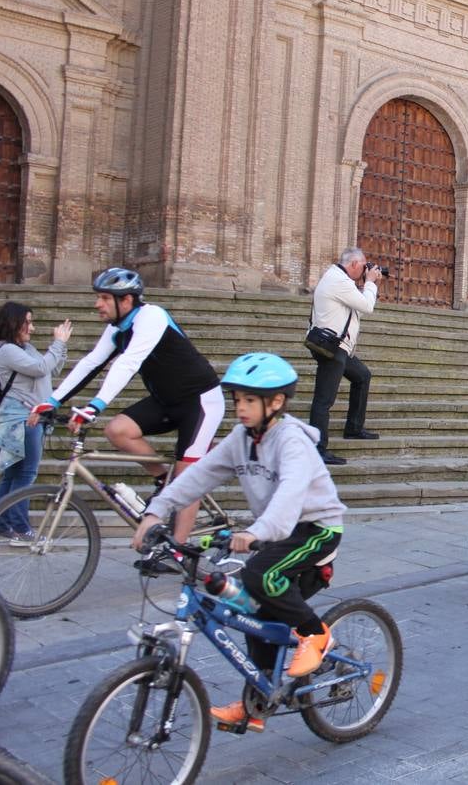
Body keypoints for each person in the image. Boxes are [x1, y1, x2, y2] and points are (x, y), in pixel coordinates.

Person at [131, 353, 346, 734]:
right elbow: (200, 476)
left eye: (249, 400)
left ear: (275, 402)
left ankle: (316, 634)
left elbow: (289, 496)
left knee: (258, 575)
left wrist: (255, 533)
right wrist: (155, 512)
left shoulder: (291, 440)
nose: (240, 408)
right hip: (273, 532)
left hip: (315, 528)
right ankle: (257, 704)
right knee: (250, 612)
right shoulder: (242, 439)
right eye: (237, 399)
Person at [36, 268, 222, 548]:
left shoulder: (152, 316)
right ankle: (163, 480)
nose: (97, 304)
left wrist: (95, 406)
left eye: (103, 298)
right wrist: (51, 401)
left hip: (200, 401)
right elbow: (90, 363)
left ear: (126, 300)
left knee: (187, 480)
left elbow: (128, 363)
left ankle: (178, 550)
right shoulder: (117, 329)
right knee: (118, 430)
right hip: (166, 401)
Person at [0, 302, 72, 545]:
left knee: (13, 474)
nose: (32, 328)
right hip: (22, 419)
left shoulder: (23, 347)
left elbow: (51, 370)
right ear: (14, 323)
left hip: (30, 417)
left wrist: (61, 348)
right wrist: (58, 343)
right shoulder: (5, 351)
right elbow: (40, 367)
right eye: (28, 322)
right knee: (26, 474)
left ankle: (1, 527)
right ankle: (22, 530)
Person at [308, 247, 384, 466]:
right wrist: (370, 282)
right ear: (353, 264)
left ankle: (354, 428)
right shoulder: (337, 281)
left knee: (362, 376)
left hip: (340, 346)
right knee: (324, 400)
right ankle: (318, 449)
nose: (365, 270)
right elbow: (367, 306)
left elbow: (357, 310)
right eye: (363, 266)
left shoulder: (340, 280)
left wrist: (368, 283)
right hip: (331, 347)